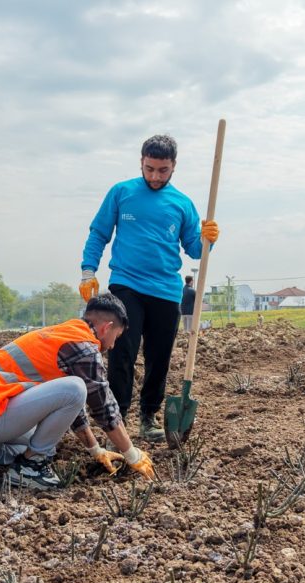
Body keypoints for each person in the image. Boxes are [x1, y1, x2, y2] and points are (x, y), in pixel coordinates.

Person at [79, 134, 220, 443]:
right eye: (150, 168)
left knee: (160, 356)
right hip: (126, 284)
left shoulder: (182, 203)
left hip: (167, 290)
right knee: (122, 352)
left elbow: (195, 251)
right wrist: (88, 270)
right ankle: (116, 417)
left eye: (163, 170)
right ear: (141, 162)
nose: (155, 176)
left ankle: (149, 415)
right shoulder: (121, 192)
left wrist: (208, 238)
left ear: (174, 167)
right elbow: (99, 232)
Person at [0, 294, 156, 491]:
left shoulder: (64, 335)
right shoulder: (85, 347)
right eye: (116, 336)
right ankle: (30, 468)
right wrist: (132, 453)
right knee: (74, 390)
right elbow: (103, 406)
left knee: (47, 443)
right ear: (106, 328)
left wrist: (96, 450)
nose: (113, 345)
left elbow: (70, 409)